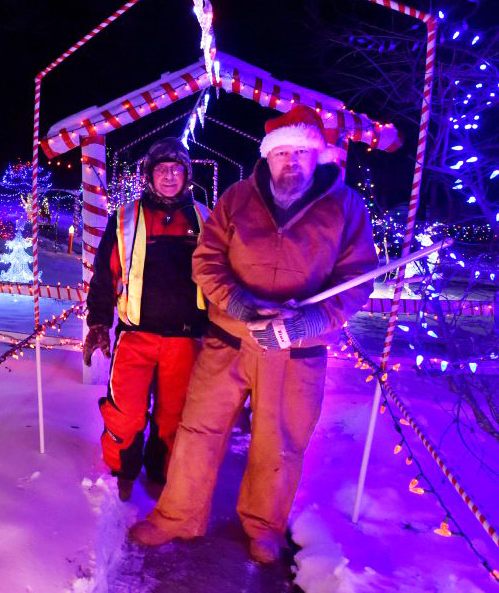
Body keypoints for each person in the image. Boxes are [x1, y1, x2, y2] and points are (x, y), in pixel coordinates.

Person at [128, 105, 378, 564]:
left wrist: (311, 321)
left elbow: (359, 278)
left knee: (280, 439)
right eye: (282, 153)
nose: (291, 162)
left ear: (316, 155)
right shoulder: (238, 197)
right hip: (228, 339)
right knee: (198, 428)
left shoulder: (346, 207)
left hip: (297, 351)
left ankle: (264, 526)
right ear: (268, 156)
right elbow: (207, 259)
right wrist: (238, 304)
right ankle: (178, 515)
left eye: (300, 153)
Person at [83, 137, 210, 501]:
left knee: (174, 416)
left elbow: (222, 276)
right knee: (125, 412)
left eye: (176, 170)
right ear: (149, 175)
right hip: (135, 337)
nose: (169, 176)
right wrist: (98, 324)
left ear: (186, 175)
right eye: (161, 169)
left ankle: (163, 472)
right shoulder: (124, 218)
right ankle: (122, 470)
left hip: (186, 339)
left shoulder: (205, 218)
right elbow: (104, 277)